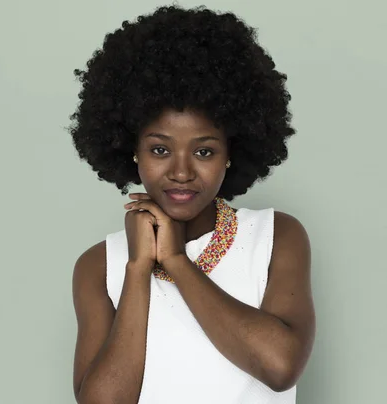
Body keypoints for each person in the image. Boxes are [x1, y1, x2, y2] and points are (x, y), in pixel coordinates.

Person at [68, 5, 316, 404]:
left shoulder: (275, 236)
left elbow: (279, 367)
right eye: (160, 148)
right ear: (132, 149)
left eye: (203, 151)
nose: (181, 172)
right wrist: (138, 269)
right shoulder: (101, 265)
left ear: (231, 154)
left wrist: (177, 261)